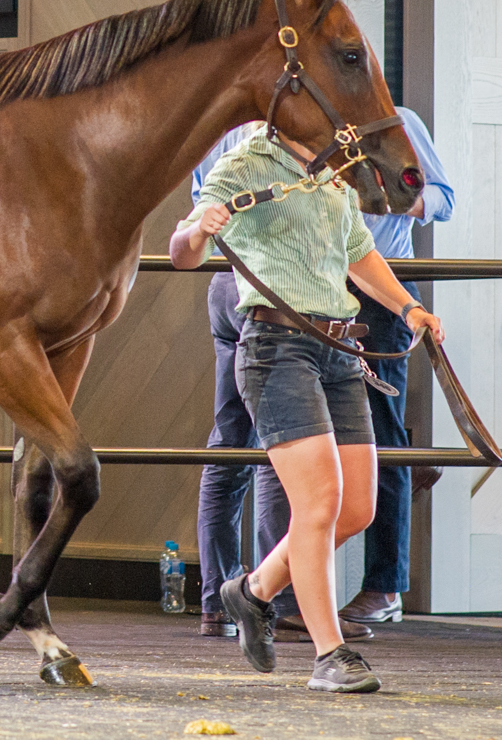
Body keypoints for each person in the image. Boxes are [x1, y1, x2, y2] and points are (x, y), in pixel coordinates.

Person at [170, 126, 444, 694]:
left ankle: (251, 592)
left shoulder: (335, 172)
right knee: (318, 503)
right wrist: (200, 229)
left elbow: (358, 251)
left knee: (358, 509)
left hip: (341, 350)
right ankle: (329, 653)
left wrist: (409, 306)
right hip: (275, 348)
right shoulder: (245, 165)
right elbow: (182, 252)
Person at [340, 107, 454, 629]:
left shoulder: (399, 122)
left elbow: (443, 200)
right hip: (314, 286)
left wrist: (391, 199)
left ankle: (384, 586)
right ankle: (286, 589)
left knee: (381, 435)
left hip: (383, 289)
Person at [188, 124, 301, 639]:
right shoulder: (279, 138)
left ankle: (215, 600)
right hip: (271, 286)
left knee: (230, 442)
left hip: (224, 282)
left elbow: (197, 212)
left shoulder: (221, 139)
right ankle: (273, 598)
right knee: (280, 445)